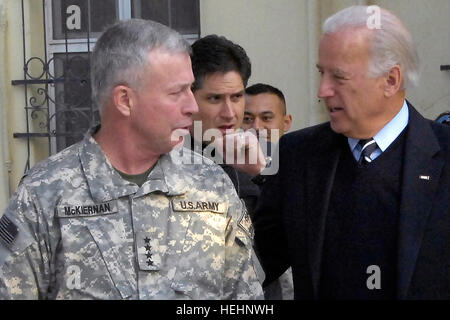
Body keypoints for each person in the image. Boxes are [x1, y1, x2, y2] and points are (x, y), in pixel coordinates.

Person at [0, 19, 263, 300]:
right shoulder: (44, 194)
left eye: (190, 89)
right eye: (176, 92)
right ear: (125, 100)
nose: (192, 106)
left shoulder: (212, 184)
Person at [254, 6, 450, 300]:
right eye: (322, 73)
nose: (322, 90)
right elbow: (254, 264)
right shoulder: (297, 156)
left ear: (391, 80)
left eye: (339, 77)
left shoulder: (444, 155)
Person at [189, 35, 264, 220]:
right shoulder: (163, 161)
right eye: (215, 98)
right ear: (187, 96)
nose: (229, 113)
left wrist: (262, 175)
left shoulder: (260, 161)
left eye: (237, 97)